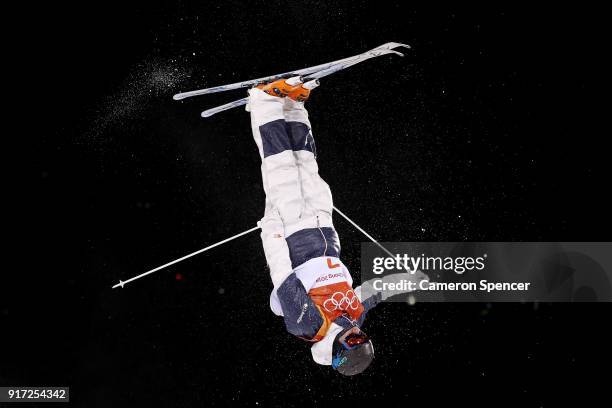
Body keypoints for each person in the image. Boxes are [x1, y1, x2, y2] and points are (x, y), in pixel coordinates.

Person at [247, 77, 422, 375]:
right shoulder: (353, 316)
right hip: (324, 228)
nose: (355, 331)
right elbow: (375, 290)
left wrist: (271, 228)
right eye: (362, 336)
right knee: (306, 163)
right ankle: (292, 106)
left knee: (282, 167)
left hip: (293, 233)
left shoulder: (310, 324)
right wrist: (409, 281)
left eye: (352, 340)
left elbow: (282, 274)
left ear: (337, 349)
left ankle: (265, 103)